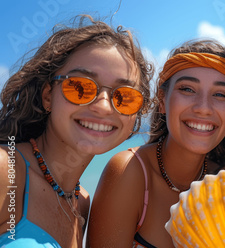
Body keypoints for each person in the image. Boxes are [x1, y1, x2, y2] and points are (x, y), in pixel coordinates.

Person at [0, 15, 152, 248]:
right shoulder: (6, 170)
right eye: (80, 87)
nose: (103, 106)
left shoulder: (81, 202)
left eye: (124, 96)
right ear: (48, 95)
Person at [87, 39, 225, 248]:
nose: (203, 108)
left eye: (220, 94)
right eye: (188, 89)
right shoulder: (130, 172)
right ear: (162, 100)